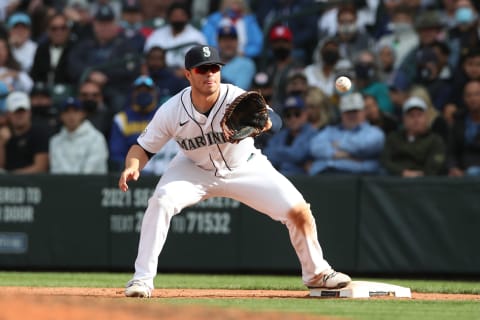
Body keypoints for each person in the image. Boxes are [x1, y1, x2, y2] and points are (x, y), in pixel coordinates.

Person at [118, 45, 351, 298]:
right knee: (161, 201)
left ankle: (317, 274)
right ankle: (141, 280)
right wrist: (133, 165)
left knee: (298, 210)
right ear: (188, 74)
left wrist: (265, 123)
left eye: (215, 68)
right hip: (193, 169)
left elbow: (276, 120)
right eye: (203, 69)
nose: (210, 74)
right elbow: (142, 148)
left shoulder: (234, 96)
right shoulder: (172, 110)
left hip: (246, 166)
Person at [67, 4, 141, 112]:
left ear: (116, 25)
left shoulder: (125, 45)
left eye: (108, 23)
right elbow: (72, 63)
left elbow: (131, 69)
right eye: (101, 23)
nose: (104, 27)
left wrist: (104, 76)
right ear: (94, 25)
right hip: (86, 88)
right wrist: (91, 74)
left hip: (114, 89)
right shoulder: (85, 43)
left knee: (119, 102)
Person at [309, 92, 385, 175]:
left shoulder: (374, 132)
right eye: (348, 112)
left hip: (356, 177)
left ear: (363, 112)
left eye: (355, 111)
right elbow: (315, 147)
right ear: (341, 114)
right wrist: (339, 155)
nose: (351, 115)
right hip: (326, 173)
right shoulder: (330, 130)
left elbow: (364, 147)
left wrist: (339, 144)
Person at [380, 96, 446, 177]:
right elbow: (385, 160)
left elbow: (435, 164)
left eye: (419, 115)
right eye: (411, 116)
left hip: (424, 182)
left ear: (426, 118)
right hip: (396, 181)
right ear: (404, 119)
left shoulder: (435, 140)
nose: (416, 120)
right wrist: (402, 172)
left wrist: (418, 175)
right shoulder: (394, 138)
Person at [109, 75, 159, 171]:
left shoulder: (164, 115)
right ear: (133, 93)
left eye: (147, 91)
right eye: (139, 91)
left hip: (160, 170)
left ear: (154, 93)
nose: (143, 93)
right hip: (131, 171)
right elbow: (117, 154)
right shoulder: (121, 119)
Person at [49, 96, 108, 174]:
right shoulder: (55, 141)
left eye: (75, 111)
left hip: (93, 185)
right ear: (61, 116)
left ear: (83, 114)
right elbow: (57, 170)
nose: (71, 115)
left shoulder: (97, 138)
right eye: (67, 111)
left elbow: (90, 170)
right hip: (63, 185)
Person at [144, 2, 207, 71]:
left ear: (188, 17)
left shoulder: (197, 37)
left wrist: (185, 72)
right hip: (160, 73)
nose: (178, 19)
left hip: (186, 76)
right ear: (169, 17)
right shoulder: (157, 34)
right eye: (175, 16)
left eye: (181, 15)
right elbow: (147, 56)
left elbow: (203, 62)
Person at [263, 95, 317, 175]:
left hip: (303, 180)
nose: (293, 118)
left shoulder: (312, 133)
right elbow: (267, 153)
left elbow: (298, 154)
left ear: (305, 114)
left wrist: (278, 153)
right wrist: (291, 154)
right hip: (281, 178)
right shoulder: (280, 134)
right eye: (288, 115)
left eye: (297, 114)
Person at [0, 91, 49, 173]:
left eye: (23, 111)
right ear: (8, 114)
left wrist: (11, 177)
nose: (20, 115)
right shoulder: (3, 133)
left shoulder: (39, 133)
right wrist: (1, 143)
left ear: (29, 112)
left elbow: (41, 167)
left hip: (34, 183)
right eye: (16, 112)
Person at [30, 12, 76, 87]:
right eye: (54, 29)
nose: (59, 32)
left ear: (68, 30)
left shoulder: (75, 49)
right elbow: (35, 75)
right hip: (43, 93)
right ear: (48, 31)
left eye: (63, 28)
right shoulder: (41, 49)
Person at [447, 80, 480, 177]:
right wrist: (453, 168)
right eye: (469, 95)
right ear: (464, 98)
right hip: (462, 174)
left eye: (477, 94)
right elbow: (451, 151)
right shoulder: (459, 120)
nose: (473, 99)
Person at [216, 24, 256, 90]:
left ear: (237, 41)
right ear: (218, 42)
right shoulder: (212, 63)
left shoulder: (246, 64)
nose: (228, 44)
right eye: (224, 40)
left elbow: (239, 92)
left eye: (232, 40)